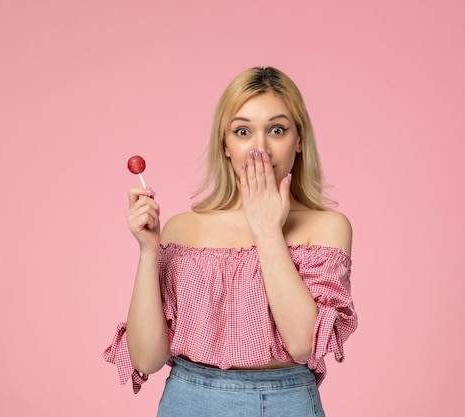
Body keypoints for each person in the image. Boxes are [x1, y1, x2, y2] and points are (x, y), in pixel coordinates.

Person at [103, 66, 357, 417]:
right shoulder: (182, 230)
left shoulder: (327, 227)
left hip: (286, 404)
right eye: (242, 131)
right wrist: (148, 251)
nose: (260, 147)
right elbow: (147, 358)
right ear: (225, 144)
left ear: (299, 140)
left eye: (277, 129)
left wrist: (267, 230)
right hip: (187, 402)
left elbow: (303, 345)